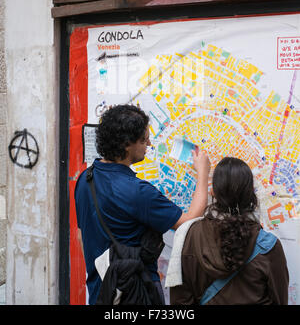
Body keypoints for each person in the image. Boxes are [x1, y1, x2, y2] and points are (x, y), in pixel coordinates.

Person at [75, 104, 210, 305]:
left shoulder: (85, 179)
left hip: (100, 293)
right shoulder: (137, 191)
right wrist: (203, 173)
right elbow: (188, 222)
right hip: (136, 294)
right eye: (143, 139)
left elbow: (81, 235)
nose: (149, 143)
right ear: (127, 144)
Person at [167, 156, 289, 305]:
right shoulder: (269, 247)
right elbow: (279, 300)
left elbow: (180, 301)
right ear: (250, 192)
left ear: (213, 192)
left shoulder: (188, 236)